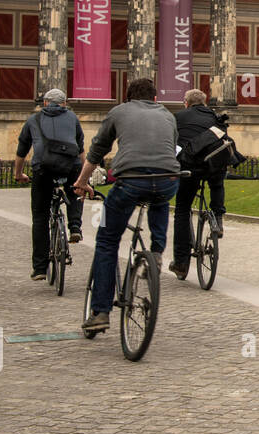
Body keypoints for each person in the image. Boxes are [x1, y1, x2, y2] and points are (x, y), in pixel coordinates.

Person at [72, 78, 180, 332]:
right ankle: (156, 252)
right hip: (168, 180)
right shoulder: (167, 114)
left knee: (107, 240)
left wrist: (81, 182)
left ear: (128, 97)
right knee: (160, 198)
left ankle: (100, 311)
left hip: (129, 182)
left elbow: (97, 151)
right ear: (155, 98)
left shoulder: (118, 112)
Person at [13, 89, 85, 280]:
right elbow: (80, 150)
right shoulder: (73, 118)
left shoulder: (33, 120)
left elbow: (22, 151)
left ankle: (39, 268)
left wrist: (18, 173)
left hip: (43, 169)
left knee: (40, 217)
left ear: (45, 103)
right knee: (75, 190)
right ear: (64, 103)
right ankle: (75, 227)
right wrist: (83, 177)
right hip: (71, 166)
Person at [169, 90, 230, 282]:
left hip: (190, 166)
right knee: (217, 182)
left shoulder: (177, 117)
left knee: (182, 209)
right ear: (204, 103)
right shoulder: (215, 117)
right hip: (213, 163)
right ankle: (217, 218)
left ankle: (180, 262)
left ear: (186, 103)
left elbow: (171, 143)